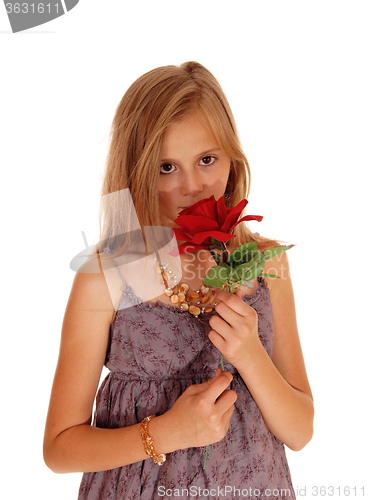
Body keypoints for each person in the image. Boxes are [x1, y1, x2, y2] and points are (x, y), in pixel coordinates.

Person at [43, 61, 314, 500]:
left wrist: (250, 355)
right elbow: (59, 448)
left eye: (207, 160)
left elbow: (300, 431)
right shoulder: (106, 277)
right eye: (166, 168)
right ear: (136, 173)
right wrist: (166, 433)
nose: (192, 186)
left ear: (232, 158)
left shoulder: (264, 264)